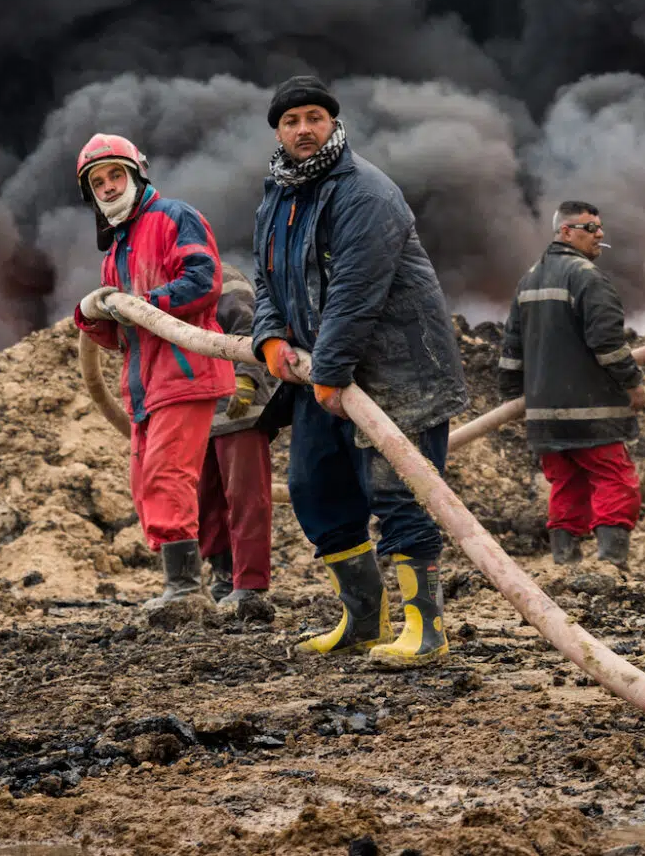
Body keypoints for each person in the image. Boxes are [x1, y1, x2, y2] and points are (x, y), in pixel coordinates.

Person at [251, 76, 469, 668]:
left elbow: (354, 292)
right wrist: (269, 335)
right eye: (292, 119)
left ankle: (426, 628)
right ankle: (363, 620)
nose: (304, 129)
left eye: (314, 117)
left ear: (332, 123)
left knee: (400, 493)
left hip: (397, 373)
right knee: (316, 487)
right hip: (321, 372)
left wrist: (331, 368)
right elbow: (266, 277)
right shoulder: (278, 193)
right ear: (278, 130)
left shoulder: (365, 193)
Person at [71, 133, 236, 616]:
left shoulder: (173, 218)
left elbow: (204, 281)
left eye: (114, 175)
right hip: (144, 386)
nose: (106, 187)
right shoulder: (115, 250)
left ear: (137, 172)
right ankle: (189, 582)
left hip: (184, 373)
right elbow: (121, 335)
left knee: (168, 476)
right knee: (146, 481)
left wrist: (141, 305)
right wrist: (92, 317)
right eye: (97, 181)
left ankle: (185, 590)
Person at [496, 201, 645, 569]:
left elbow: (510, 350)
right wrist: (633, 383)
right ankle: (612, 567)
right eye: (590, 227)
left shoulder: (529, 280)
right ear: (566, 231)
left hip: (546, 416)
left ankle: (566, 566)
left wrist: (513, 397)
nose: (600, 234)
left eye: (600, 227)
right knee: (615, 480)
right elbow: (608, 342)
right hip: (592, 412)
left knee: (566, 486)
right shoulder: (588, 278)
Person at [199, 262, 288, 618]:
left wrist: (248, 377)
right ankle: (223, 576)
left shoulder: (223, 279)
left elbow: (252, 329)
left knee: (246, 496)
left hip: (240, 407)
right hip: (196, 409)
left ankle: (249, 585)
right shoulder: (164, 288)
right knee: (205, 498)